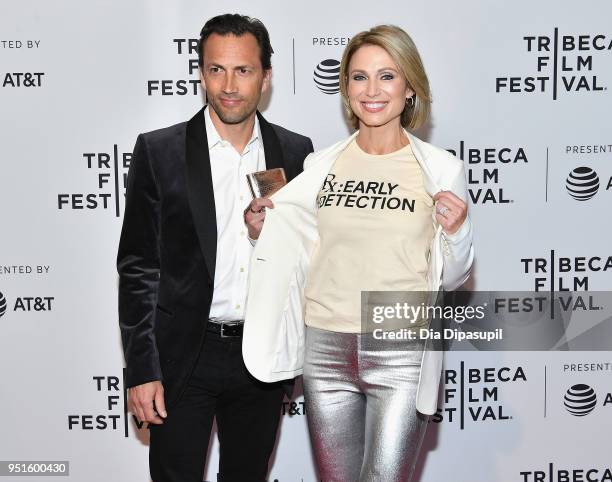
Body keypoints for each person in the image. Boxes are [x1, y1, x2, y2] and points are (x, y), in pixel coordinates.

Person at [243, 24, 474, 481]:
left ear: (410, 88)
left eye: (387, 77)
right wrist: (261, 234)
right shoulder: (320, 164)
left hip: (401, 345)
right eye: (359, 77)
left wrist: (459, 231)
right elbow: (299, 247)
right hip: (325, 344)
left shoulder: (441, 168)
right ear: (345, 88)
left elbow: (454, 276)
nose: (372, 90)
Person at [117, 13, 313, 482]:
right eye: (215, 69)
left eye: (243, 70)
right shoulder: (160, 151)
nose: (228, 85)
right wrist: (142, 368)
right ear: (201, 73)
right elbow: (139, 267)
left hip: (261, 357)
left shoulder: (295, 152)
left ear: (265, 77)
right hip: (185, 355)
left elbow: (309, 260)